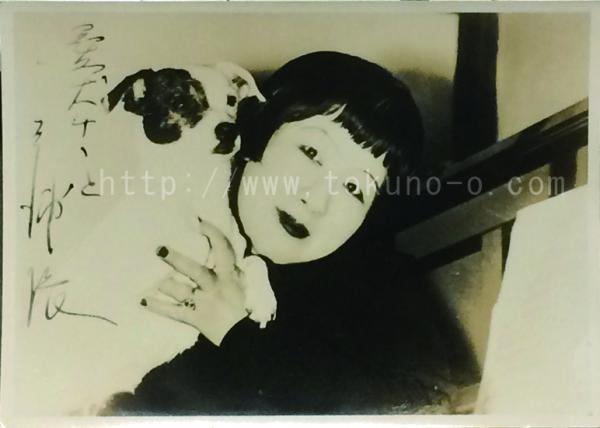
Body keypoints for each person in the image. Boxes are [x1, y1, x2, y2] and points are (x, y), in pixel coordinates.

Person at [101, 52, 475, 415]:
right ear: (257, 134)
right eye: (311, 152)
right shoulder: (151, 221)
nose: (316, 199)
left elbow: (429, 406)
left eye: (354, 188)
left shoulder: (379, 285)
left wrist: (238, 334)